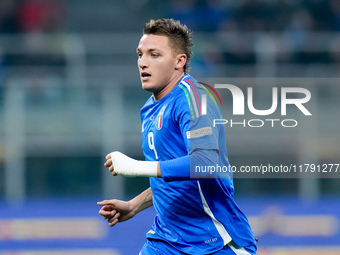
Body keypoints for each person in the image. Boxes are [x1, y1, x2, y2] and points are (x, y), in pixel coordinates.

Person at [97, 18, 257, 255]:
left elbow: (205, 164)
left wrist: (136, 167)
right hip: (166, 240)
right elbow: (175, 174)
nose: (143, 63)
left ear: (179, 61)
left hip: (217, 241)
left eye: (154, 55)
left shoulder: (195, 98)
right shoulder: (150, 108)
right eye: (140, 54)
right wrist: (135, 205)